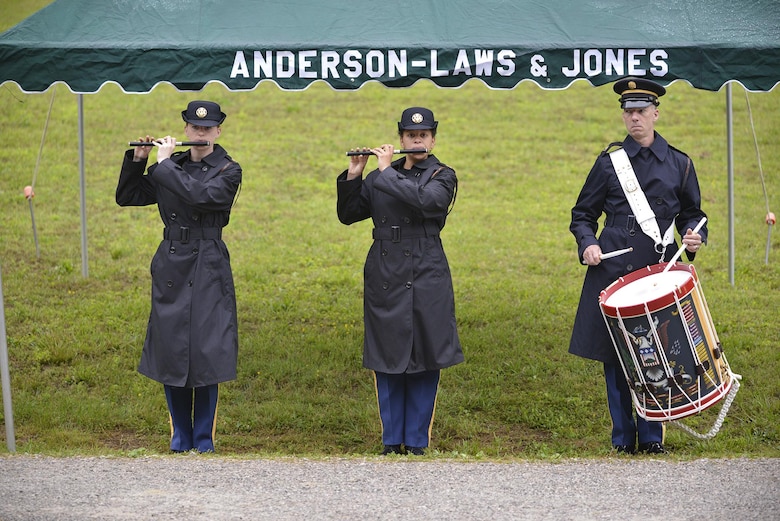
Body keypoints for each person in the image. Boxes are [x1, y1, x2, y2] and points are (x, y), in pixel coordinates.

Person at [569, 78, 707, 455]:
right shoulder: (609, 163)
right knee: (617, 356)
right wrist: (589, 243)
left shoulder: (679, 163)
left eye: (641, 112)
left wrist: (694, 236)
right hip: (612, 269)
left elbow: (693, 215)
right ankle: (622, 436)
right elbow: (582, 215)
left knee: (658, 351)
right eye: (628, 112)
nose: (634, 119)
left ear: (655, 113)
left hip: (656, 269)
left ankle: (651, 437)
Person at [116, 100, 242, 453]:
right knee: (171, 347)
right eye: (194, 128)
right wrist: (140, 160)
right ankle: (180, 434)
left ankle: (203, 436)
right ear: (186, 128)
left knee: (208, 348)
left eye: (207, 128)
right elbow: (127, 196)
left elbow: (200, 197)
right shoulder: (170, 165)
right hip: (172, 262)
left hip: (208, 262)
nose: (200, 133)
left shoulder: (229, 170)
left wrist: (164, 164)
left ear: (218, 130)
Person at [337, 107, 463, 456]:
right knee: (387, 354)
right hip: (386, 272)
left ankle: (417, 440)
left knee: (427, 351)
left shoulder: (442, 174)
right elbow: (349, 215)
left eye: (423, 135)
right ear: (401, 138)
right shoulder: (382, 174)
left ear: (433, 139)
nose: (416, 140)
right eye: (410, 135)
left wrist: (383, 172)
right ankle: (391, 439)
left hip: (426, 268)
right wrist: (354, 175)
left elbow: (426, 202)